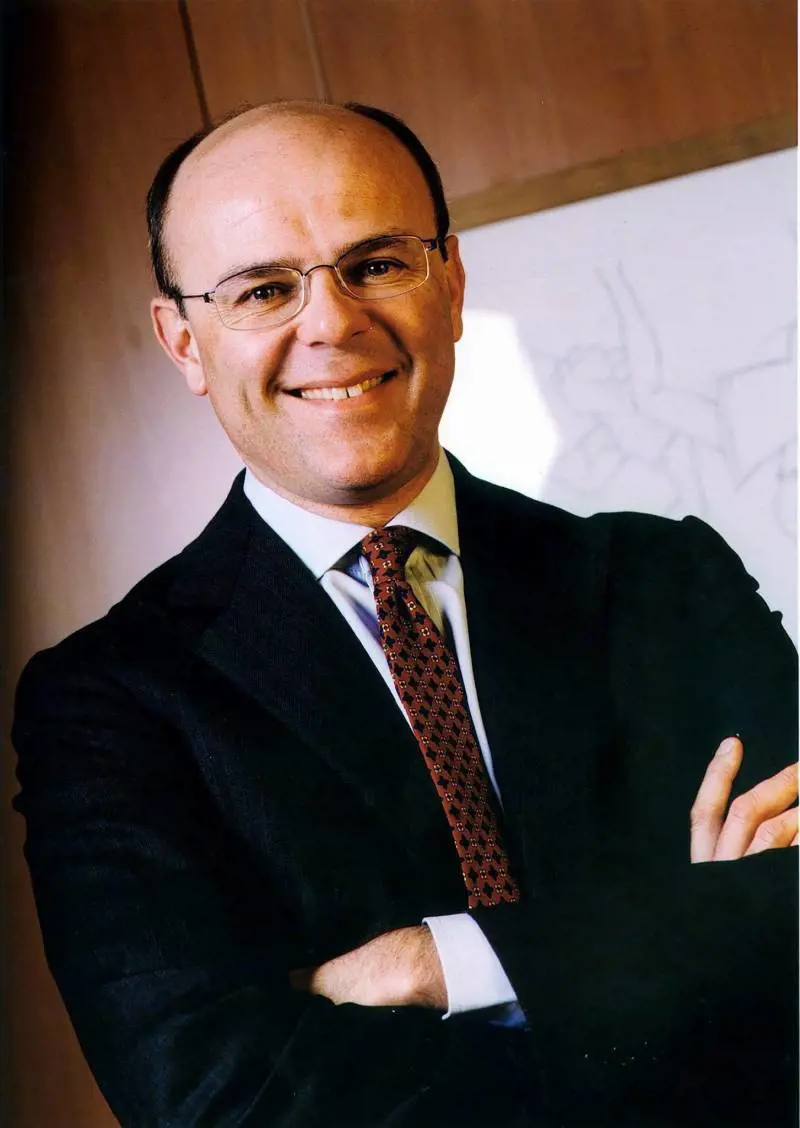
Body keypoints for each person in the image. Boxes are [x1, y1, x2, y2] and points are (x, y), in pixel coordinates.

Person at [12, 101, 798, 1128]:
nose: (332, 324)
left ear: (451, 284)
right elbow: (212, 1098)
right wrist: (682, 939)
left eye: (376, 264)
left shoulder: (665, 580)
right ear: (184, 342)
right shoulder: (106, 702)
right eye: (262, 290)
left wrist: (433, 965)